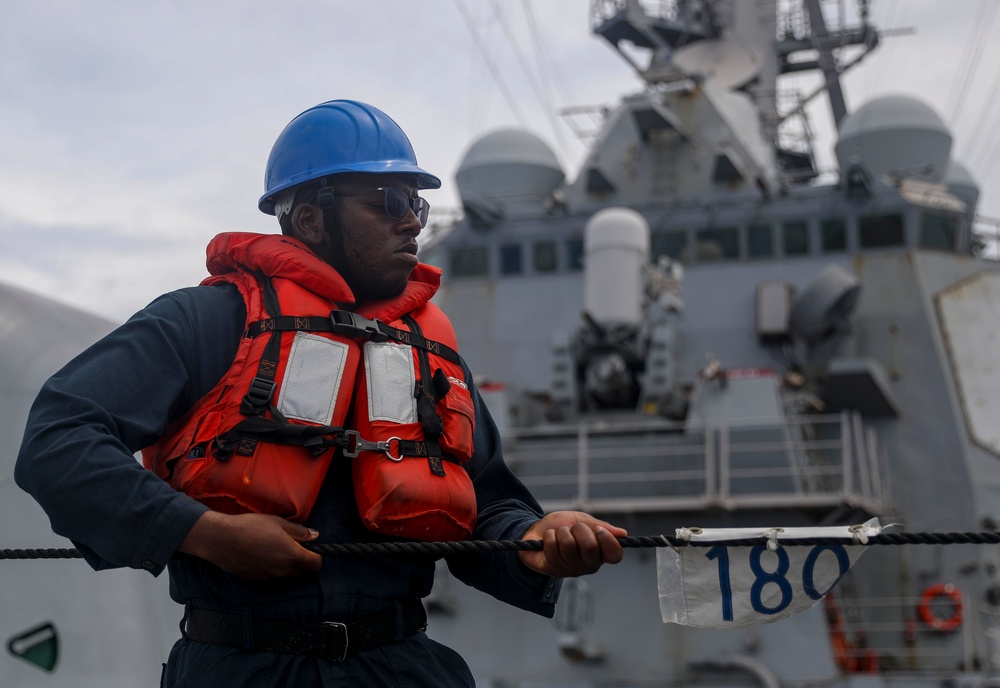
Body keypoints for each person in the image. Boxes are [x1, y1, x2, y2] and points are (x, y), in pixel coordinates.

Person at [15, 99, 625, 687]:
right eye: (386, 201)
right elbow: (59, 440)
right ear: (309, 219)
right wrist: (202, 531)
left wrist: (533, 543)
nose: (412, 219)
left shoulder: (428, 353)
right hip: (239, 669)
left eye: (414, 200)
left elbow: (486, 502)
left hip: (402, 669)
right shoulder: (204, 323)